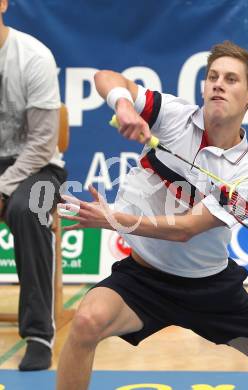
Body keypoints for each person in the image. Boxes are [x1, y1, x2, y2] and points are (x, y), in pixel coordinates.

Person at [56, 41, 248, 390]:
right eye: (212, 76)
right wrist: (124, 106)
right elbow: (106, 78)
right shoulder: (172, 116)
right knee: (86, 322)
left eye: (230, 79)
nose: (218, 84)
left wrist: (114, 219)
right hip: (143, 278)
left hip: (208, 287)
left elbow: (186, 230)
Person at [0, 0, 67, 371]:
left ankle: (40, 334)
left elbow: (43, 142)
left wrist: (3, 188)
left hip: (41, 168)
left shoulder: (32, 56)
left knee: (31, 209)